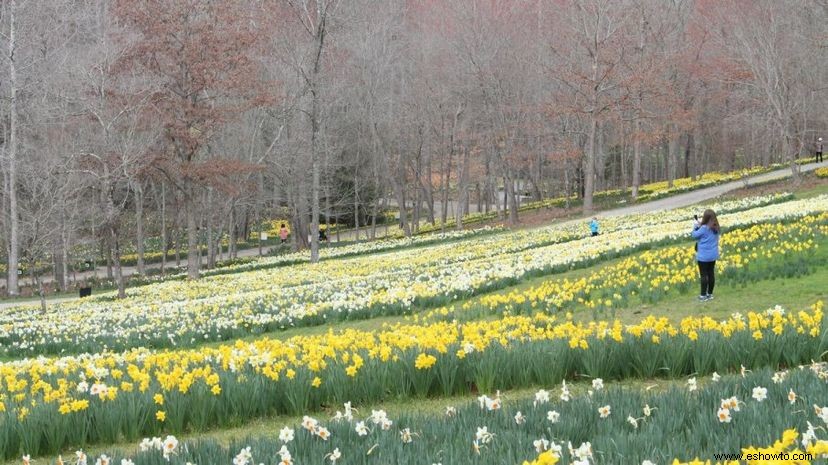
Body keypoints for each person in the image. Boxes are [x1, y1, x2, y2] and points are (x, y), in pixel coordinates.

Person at [691, 209, 720, 302]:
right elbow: (707, 228)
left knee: (703, 275)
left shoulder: (703, 229)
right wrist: (700, 225)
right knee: (711, 274)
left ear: (705, 218)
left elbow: (694, 235)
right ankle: (709, 294)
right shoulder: (716, 228)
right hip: (713, 256)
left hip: (703, 257)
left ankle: (703, 296)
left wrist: (695, 226)